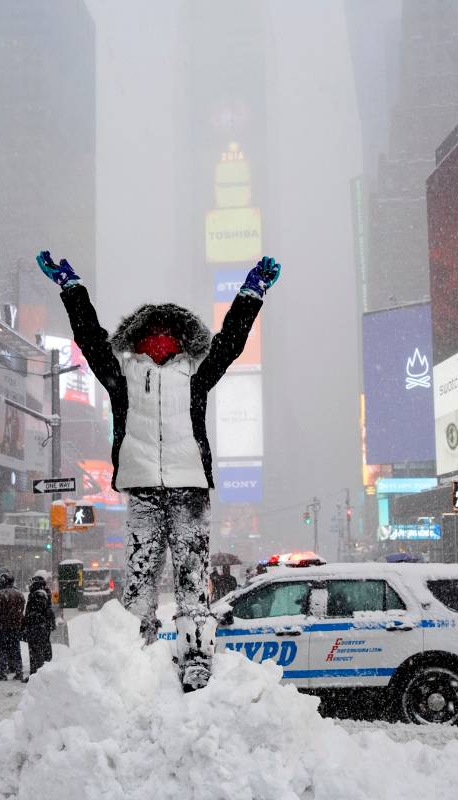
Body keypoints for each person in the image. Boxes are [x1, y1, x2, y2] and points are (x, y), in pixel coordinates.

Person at [39, 250, 278, 691]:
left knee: (192, 579)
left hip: (189, 488)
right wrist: (71, 288)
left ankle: (195, 658)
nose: (161, 340)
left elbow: (231, 340)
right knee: (140, 577)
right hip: (143, 488)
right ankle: (135, 653)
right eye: (154, 333)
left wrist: (251, 293)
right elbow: (89, 336)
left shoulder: (197, 371)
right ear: (140, 337)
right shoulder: (123, 372)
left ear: (183, 339)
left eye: (169, 334)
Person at [0, 573, 26, 682]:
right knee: (16, 649)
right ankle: (19, 672)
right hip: (15, 626)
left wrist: (1, 619)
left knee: (1, 649)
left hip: (2, 626)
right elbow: (21, 610)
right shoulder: (19, 594)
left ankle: (3, 673)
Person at [22, 571, 55, 677]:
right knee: (42, 649)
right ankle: (42, 673)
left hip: (36, 628)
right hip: (42, 627)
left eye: (32, 582)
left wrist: (29, 621)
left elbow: (37, 612)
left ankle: (36, 675)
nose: (30, 584)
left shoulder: (38, 594)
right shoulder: (44, 592)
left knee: (36, 651)